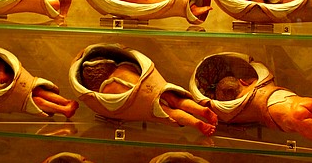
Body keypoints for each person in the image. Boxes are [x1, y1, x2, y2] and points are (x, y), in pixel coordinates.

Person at [81, 58, 218, 136]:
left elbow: (111, 103)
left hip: (141, 101)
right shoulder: (123, 66)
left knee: (169, 112)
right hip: (151, 83)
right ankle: (201, 110)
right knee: (176, 100)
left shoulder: (105, 89)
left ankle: (197, 124)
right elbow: (137, 66)